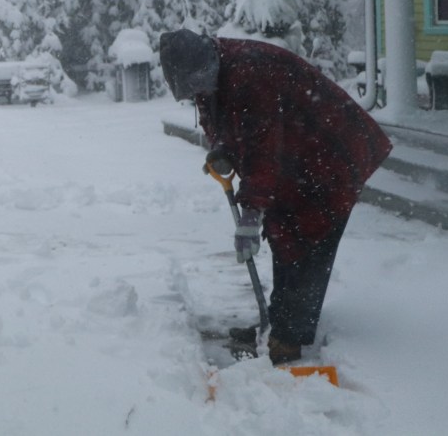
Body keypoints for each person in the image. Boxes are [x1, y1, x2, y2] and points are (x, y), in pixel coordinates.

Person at [157, 29, 392, 365]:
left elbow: (263, 149)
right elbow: (218, 119)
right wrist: (222, 147)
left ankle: (290, 340)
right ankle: (279, 326)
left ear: (205, 66)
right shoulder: (212, 74)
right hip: (296, 156)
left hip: (330, 153)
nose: (197, 93)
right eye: (190, 89)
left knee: (309, 239)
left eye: (196, 85)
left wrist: (251, 213)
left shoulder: (251, 76)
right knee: (284, 235)